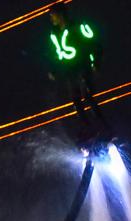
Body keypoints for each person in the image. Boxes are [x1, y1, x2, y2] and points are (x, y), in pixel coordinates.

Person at [47, 3, 109, 142]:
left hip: (82, 65)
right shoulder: (55, 33)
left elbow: (94, 43)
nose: (51, 18)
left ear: (60, 15)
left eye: (53, 15)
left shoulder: (77, 26)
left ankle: (103, 127)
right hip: (70, 70)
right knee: (76, 100)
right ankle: (89, 128)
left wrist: (95, 62)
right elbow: (56, 53)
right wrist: (54, 69)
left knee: (87, 95)